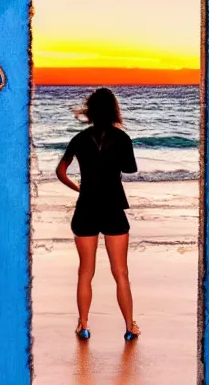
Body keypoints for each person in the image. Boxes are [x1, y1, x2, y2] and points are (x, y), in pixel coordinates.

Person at [55, 87, 141, 342]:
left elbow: (60, 171)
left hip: (86, 208)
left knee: (85, 271)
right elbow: (130, 168)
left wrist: (77, 187)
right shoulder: (122, 138)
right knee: (121, 272)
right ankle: (129, 327)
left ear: (90, 111)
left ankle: (83, 324)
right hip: (113, 207)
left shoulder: (80, 139)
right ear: (114, 110)